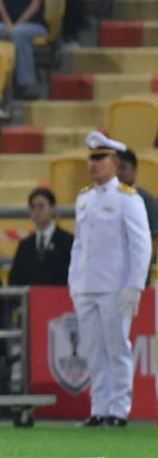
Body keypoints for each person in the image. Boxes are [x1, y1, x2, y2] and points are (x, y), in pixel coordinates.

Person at [69, 130, 152, 426]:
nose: (93, 164)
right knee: (92, 350)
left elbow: (141, 245)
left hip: (115, 286)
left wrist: (135, 286)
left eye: (100, 158)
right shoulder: (84, 199)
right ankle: (99, 407)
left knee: (117, 348)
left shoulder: (128, 199)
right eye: (91, 158)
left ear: (115, 163)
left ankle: (119, 409)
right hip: (87, 286)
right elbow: (79, 245)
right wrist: (73, 282)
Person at [7, 186, 72, 287]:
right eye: (33, 207)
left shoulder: (68, 241)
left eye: (41, 206)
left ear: (53, 208)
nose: (37, 211)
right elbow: (14, 279)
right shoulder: (25, 245)